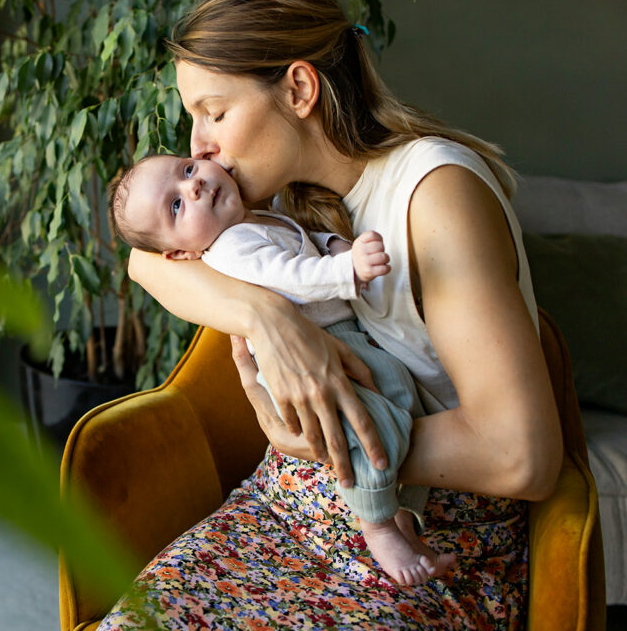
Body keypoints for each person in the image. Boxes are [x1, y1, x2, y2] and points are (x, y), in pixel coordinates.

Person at [91, 0, 562, 631]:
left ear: (300, 90)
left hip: (428, 540)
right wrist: (266, 316)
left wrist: (320, 442)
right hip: (290, 510)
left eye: (214, 112)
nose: (196, 146)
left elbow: (523, 456)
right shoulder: (285, 203)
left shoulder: (434, 196)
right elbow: (145, 260)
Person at [107, 153, 457, 586]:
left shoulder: (262, 218)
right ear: (182, 252)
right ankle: (378, 526)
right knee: (364, 426)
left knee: (402, 393)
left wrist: (333, 244)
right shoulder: (231, 248)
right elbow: (291, 274)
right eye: (176, 206)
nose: (193, 186)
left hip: (344, 339)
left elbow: (303, 240)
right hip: (303, 361)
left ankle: (400, 511)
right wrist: (346, 269)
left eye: (187, 169)